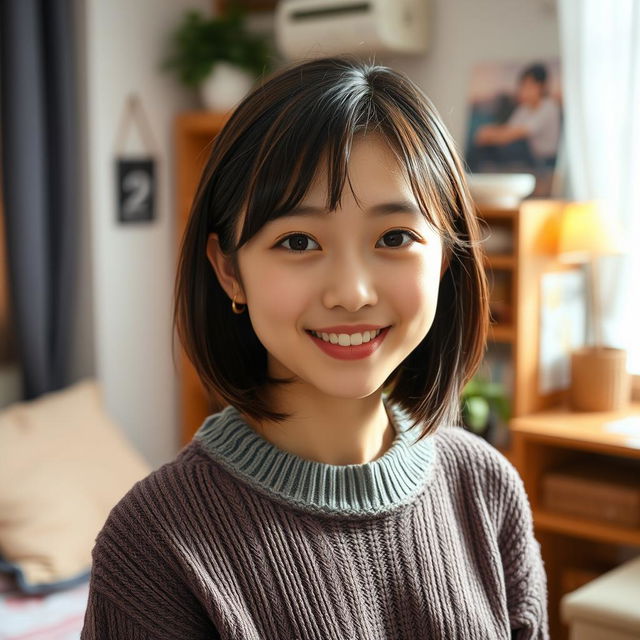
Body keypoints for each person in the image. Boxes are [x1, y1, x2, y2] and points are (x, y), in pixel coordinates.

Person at [80, 56, 548, 639]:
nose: (351, 293)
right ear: (229, 270)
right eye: (298, 241)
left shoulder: (486, 489)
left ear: (446, 257)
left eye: (395, 237)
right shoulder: (154, 547)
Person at [473, 63, 561, 169]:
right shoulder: (524, 109)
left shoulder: (549, 107)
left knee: (511, 147)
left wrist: (490, 135)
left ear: (541, 86)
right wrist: (487, 132)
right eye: (523, 86)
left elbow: (517, 133)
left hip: (547, 162)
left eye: (529, 86)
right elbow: (508, 129)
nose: (524, 91)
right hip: (532, 159)